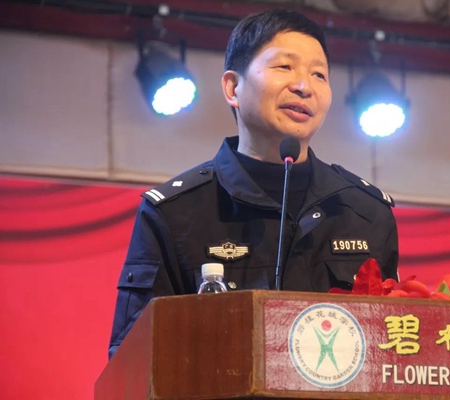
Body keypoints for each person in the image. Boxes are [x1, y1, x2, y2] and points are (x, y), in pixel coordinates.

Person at [108, 9, 399, 359]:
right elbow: (132, 359)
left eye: (319, 74)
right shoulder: (174, 214)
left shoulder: (366, 212)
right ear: (233, 87)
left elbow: (392, 352)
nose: (304, 86)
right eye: (284, 67)